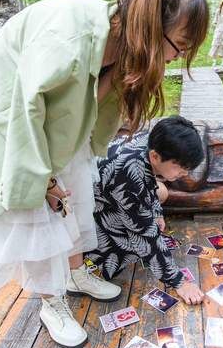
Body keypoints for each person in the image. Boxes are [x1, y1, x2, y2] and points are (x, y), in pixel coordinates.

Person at [0, 0, 208, 348]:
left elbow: (85, 110)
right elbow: (27, 117)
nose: (177, 57)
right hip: (6, 127)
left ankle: (75, 273)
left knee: (77, 190)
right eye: (178, 45)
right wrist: (43, 180)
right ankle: (51, 301)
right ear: (150, 26)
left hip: (53, 125)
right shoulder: (70, 38)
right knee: (41, 211)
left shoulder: (119, 40)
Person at [85, 116, 205, 304]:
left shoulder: (149, 141)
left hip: (111, 192)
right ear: (156, 157)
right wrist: (179, 282)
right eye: (180, 167)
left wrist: (155, 212)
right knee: (113, 260)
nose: (185, 173)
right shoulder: (129, 173)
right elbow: (144, 236)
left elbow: (148, 183)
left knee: (161, 192)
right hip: (89, 210)